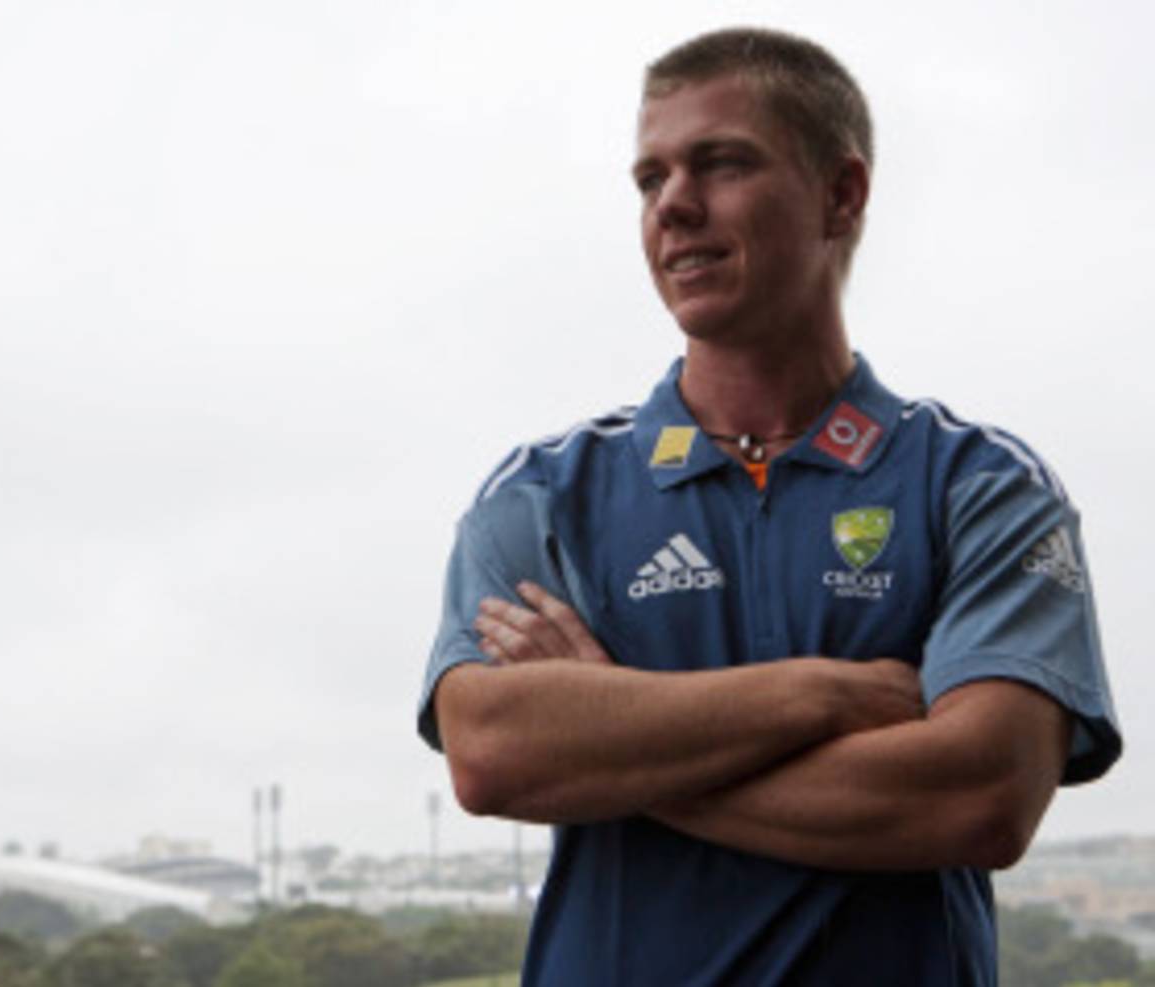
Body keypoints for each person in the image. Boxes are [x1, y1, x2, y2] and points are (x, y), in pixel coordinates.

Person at [416, 27, 1121, 986]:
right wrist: (827, 694)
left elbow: (978, 798)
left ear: (842, 195)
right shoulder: (545, 492)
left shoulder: (981, 486)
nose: (674, 205)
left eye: (723, 164)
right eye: (650, 178)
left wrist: (614, 749)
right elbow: (495, 756)